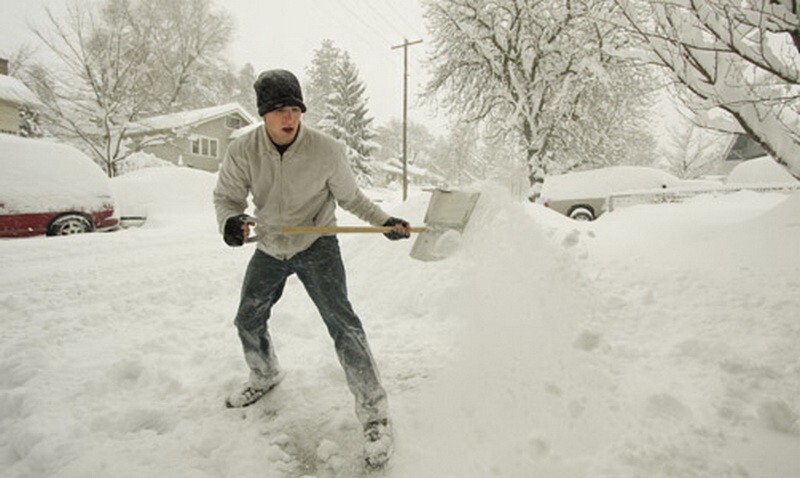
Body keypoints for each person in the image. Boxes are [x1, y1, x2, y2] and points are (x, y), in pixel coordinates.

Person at [213, 68, 410, 468]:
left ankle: (374, 415)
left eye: (294, 109)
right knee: (247, 319)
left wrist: (383, 221)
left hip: (317, 243)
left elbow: (352, 198)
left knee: (344, 325)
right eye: (279, 110)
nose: (289, 118)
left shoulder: (326, 150)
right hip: (270, 244)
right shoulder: (243, 150)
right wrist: (230, 223)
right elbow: (228, 197)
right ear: (262, 114)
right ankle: (264, 374)